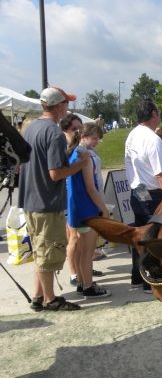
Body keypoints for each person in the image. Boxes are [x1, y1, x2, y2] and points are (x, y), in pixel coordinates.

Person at [18, 86, 88, 311]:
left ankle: (38, 296)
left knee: (41, 249)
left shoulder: (30, 128)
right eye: (66, 103)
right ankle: (50, 299)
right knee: (49, 252)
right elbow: (55, 173)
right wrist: (79, 165)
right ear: (58, 106)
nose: (67, 107)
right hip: (46, 202)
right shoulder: (54, 133)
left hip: (30, 200)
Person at [125, 100, 162, 293]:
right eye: (158, 112)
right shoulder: (152, 140)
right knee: (152, 238)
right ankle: (149, 281)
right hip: (153, 194)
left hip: (137, 191)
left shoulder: (132, 135)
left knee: (140, 235)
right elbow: (161, 175)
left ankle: (137, 277)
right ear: (153, 114)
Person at [66, 122, 111, 298]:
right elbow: (91, 188)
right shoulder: (85, 156)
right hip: (87, 208)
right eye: (94, 138)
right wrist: (103, 209)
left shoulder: (73, 152)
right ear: (83, 137)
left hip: (75, 207)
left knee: (80, 250)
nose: (97, 142)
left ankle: (81, 282)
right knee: (87, 251)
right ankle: (88, 287)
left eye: (98, 139)